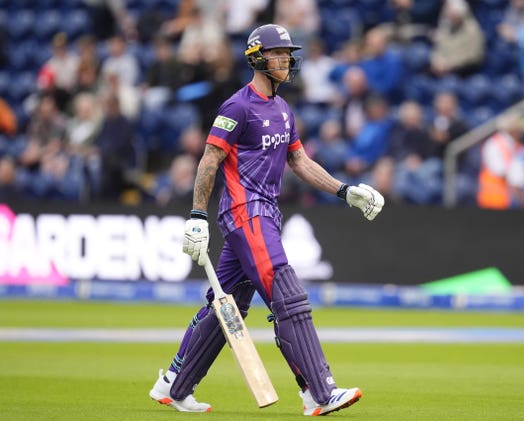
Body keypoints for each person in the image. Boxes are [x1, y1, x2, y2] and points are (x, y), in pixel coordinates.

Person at [149, 24, 384, 415]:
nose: (287, 60)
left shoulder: (282, 109)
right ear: (257, 58)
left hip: (266, 214)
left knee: (226, 307)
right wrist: (196, 216)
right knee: (288, 297)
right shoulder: (237, 107)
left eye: (289, 54)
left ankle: (174, 383)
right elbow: (210, 159)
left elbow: (299, 161)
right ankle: (320, 393)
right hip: (246, 213)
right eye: (279, 54)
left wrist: (345, 190)